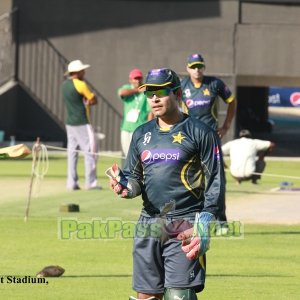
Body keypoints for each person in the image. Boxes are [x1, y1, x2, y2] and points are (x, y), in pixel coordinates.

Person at [107, 68, 225, 300]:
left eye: (161, 92)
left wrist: (205, 222)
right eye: (149, 94)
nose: (154, 98)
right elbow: (134, 178)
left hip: (186, 222)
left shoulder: (202, 133)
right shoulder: (141, 133)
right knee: (146, 296)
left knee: (179, 296)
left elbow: (215, 181)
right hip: (148, 223)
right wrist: (126, 187)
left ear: (178, 93)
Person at [62, 59, 100, 190]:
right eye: (82, 70)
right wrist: (92, 98)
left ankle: (71, 183)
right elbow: (93, 100)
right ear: (77, 72)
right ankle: (91, 182)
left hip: (70, 123)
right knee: (91, 152)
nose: (84, 72)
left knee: (72, 153)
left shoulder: (64, 85)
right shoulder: (81, 84)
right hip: (82, 122)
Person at [180, 53, 236, 139]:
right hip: (189, 136)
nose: (196, 70)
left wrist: (225, 127)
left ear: (204, 67)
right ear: (187, 68)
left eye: (199, 66)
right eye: (193, 67)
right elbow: (168, 104)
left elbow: (232, 101)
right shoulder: (181, 85)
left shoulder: (215, 83)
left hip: (210, 135)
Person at [118, 69, 153, 157]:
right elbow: (122, 93)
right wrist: (137, 90)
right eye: (135, 78)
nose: (137, 80)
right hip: (126, 128)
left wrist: (149, 128)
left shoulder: (147, 91)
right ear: (130, 80)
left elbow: (150, 112)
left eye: (139, 78)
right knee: (127, 155)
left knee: (138, 155)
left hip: (139, 128)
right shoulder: (127, 87)